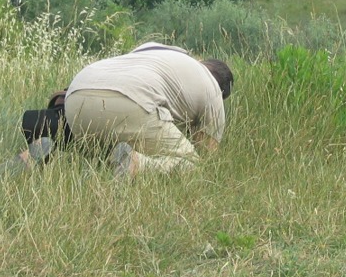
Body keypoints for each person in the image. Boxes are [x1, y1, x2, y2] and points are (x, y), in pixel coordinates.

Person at [63, 42, 233, 177]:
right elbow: (207, 153)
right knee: (192, 164)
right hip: (130, 100)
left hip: (75, 96)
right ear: (221, 91)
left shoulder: (159, 51)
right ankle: (137, 164)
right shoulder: (213, 90)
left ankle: (57, 157)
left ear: (201, 60)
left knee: (102, 154)